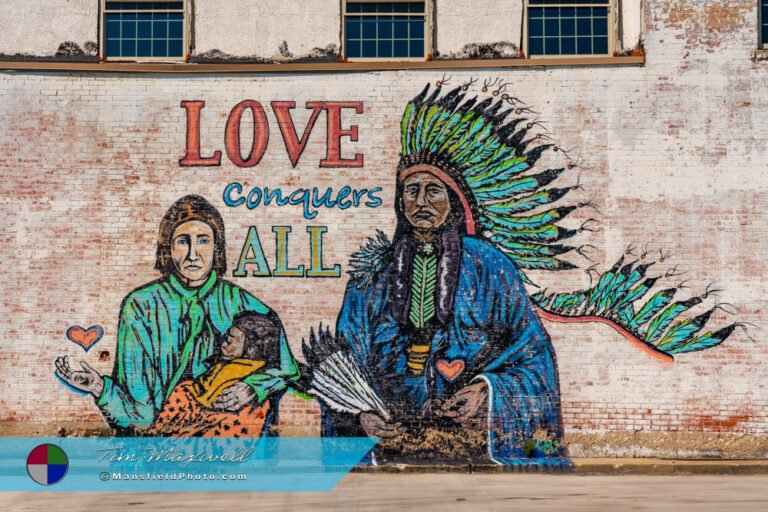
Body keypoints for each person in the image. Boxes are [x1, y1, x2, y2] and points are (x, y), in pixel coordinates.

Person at [323, 84, 571, 467]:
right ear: (399, 199)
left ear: (453, 200)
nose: (421, 203)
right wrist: (359, 413)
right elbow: (344, 358)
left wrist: (486, 390)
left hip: (469, 439)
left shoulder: (489, 266)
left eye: (433, 191)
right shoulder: (371, 273)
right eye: (412, 191)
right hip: (391, 437)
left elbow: (532, 353)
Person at [55, 195, 299, 435]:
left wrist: (252, 388)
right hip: (163, 444)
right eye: (183, 241)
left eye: (203, 241)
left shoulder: (241, 302)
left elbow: (287, 369)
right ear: (168, 249)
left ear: (217, 247)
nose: (193, 254)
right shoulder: (140, 306)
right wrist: (99, 388)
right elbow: (139, 410)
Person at [147, 311, 284, 437]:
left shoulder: (237, 369)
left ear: (251, 348)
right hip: (215, 412)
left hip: (218, 416)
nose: (223, 344)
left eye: (230, 340)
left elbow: (207, 394)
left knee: (182, 391)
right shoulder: (241, 365)